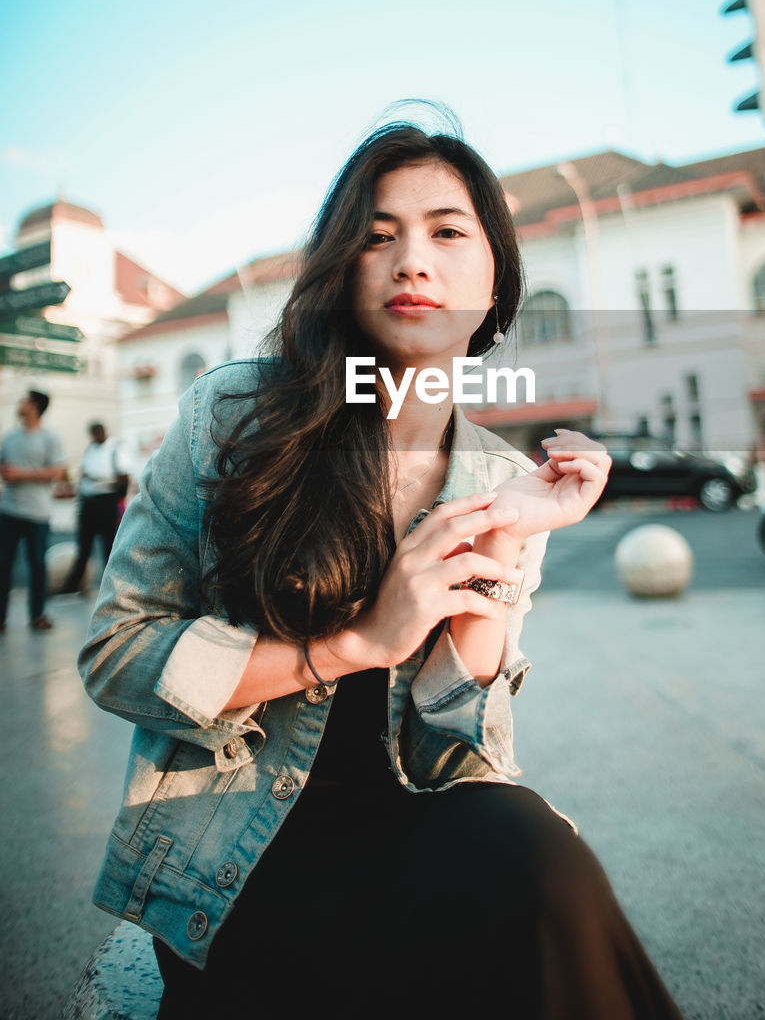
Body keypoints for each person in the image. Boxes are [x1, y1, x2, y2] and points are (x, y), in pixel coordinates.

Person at [79, 122, 684, 1019]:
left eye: (447, 232)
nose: (411, 261)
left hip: (409, 832)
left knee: (535, 853)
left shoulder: (502, 481)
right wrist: (355, 642)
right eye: (376, 235)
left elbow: (458, 751)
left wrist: (504, 549)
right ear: (342, 270)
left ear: (494, 281)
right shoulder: (234, 415)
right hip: (235, 868)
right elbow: (117, 653)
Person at [0, 389, 66, 631]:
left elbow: (58, 471)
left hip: (37, 513)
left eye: (24, 401)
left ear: (35, 406)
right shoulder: (10, 437)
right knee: (3, 564)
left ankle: (38, 615)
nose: (20, 404)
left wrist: (21, 473)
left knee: (37, 564)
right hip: (8, 510)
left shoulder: (50, 438)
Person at [60, 421, 130, 595]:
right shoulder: (90, 450)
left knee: (109, 544)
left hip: (106, 501)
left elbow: (122, 477)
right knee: (84, 545)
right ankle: (73, 585)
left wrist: (103, 485)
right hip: (89, 502)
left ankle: (113, 585)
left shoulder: (114, 449)